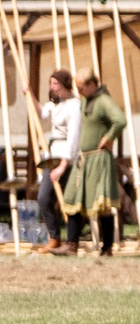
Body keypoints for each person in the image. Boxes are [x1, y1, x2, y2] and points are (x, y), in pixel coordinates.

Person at [62, 72, 125, 257]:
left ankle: (107, 248)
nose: (79, 91)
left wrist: (109, 137)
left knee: (101, 205)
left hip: (99, 159)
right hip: (84, 159)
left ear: (91, 84)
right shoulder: (84, 101)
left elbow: (120, 120)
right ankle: (71, 245)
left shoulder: (104, 101)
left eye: (81, 87)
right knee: (72, 197)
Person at [37, 69, 78, 255]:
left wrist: (63, 164)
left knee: (68, 200)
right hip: (52, 154)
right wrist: (29, 95)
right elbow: (42, 114)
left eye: (55, 83)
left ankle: (72, 242)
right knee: (44, 197)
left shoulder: (74, 106)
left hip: (66, 157)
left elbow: (73, 138)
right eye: (50, 83)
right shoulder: (55, 104)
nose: (51, 87)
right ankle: (54, 238)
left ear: (64, 84)